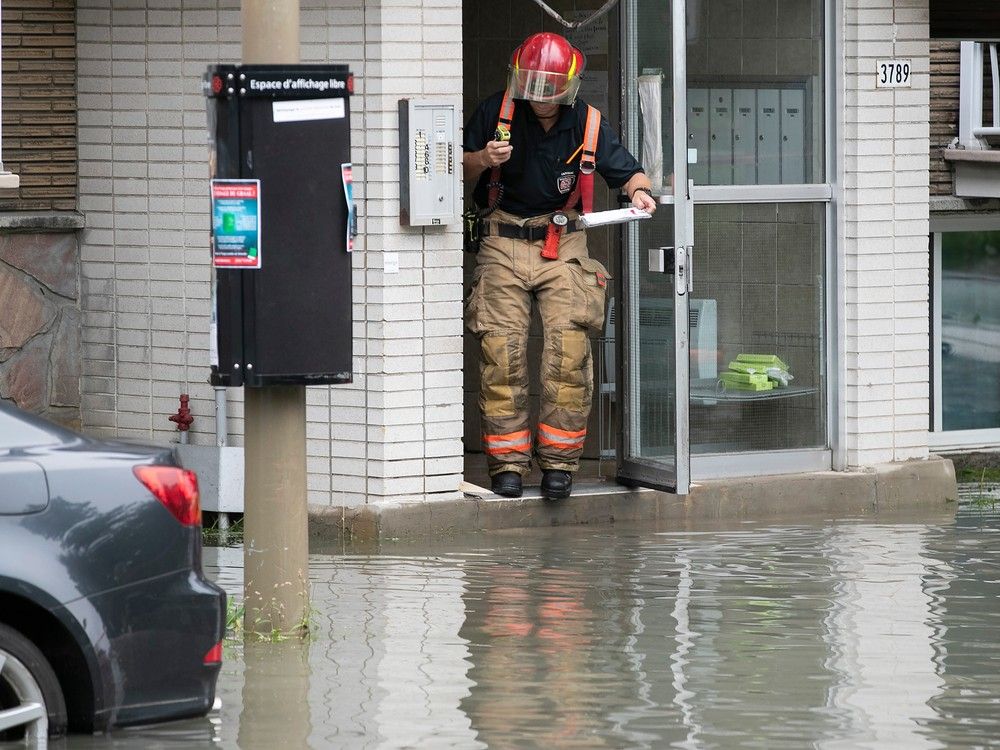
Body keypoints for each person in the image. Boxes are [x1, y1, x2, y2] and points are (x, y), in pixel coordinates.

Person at [463, 32, 656, 500]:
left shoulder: (588, 123)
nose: (541, 95)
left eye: (550, 86)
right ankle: (506, 465)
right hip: (502, 238)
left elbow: (628, 172)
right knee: (501, 354)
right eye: (533, 83)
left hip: (563, 239)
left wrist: (639, 192)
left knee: (568, 355)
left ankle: (559, 465)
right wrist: (483, 159)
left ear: (569, 84)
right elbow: (456, 168)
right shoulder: (496, 112)